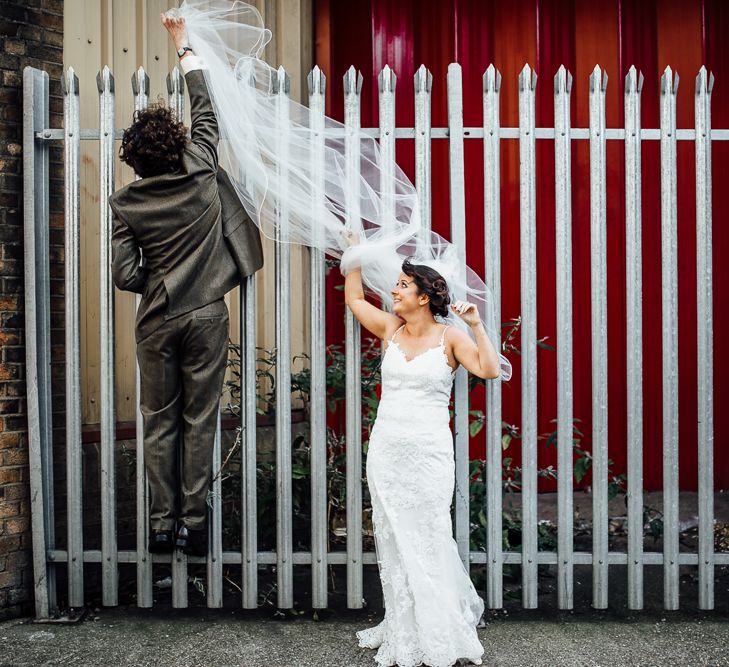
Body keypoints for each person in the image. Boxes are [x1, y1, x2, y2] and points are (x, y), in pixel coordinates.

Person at [109, 14, 263, 557]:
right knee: (200, 418)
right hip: (207, 315)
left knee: (158, 422)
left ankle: (159, 525)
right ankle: (194, 524)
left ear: (135, 160)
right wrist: (184, 46)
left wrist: (162, 278)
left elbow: (125, 274)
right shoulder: (200, 167)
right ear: (175, 144)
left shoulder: (125, 203)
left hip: (156, 319)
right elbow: (206, 110)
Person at [343, 239, 499, 667]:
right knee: (393, 538)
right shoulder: (390, 330)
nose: (393, 291)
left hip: (429, 453)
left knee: (429, 535)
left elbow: (487, 369)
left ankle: (438, 627)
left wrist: (477, 326)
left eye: (402, 285)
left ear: (424, 297)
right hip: (387, 451)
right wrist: (354, 256)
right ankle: (403, 625)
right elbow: (354, 297)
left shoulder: (451, 338)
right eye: (396, 284)